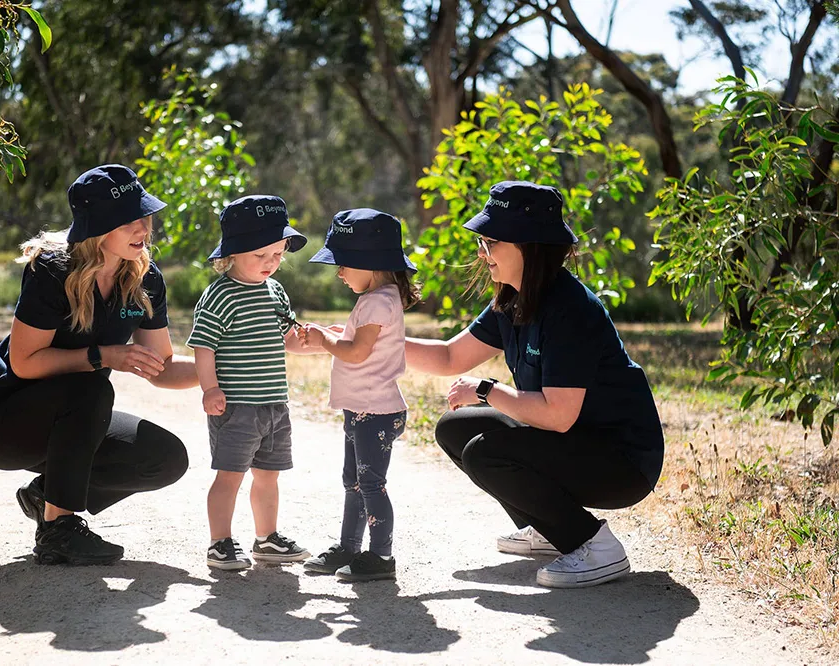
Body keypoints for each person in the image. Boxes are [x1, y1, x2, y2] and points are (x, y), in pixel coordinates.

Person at [406, 181, 665, 588]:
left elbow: (558, 416)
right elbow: (450, 357)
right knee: (456, 429)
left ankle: (596, 546)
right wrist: (379, 343)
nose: (481, 252)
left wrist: (487, 389)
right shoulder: (513, 298)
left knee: (485, 452)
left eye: (490, 242)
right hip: (574, 443)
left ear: (529, 245)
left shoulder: (570, 309)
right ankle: (549, 530)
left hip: (622, 461)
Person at [0, 164, 199, 566]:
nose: (144, 229)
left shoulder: (145, 278)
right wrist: (103, 357)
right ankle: (59, 530)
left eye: (145, 216)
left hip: (74, 423)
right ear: (97, 228)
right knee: (92, 385)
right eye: (130, 221)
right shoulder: (53, 270)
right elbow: (23, 363)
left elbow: (161, 366)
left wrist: (230, 365)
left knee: (166, 458)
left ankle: (47, 495)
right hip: (4, 424)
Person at [187, 195, 311, 571]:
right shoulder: (220, 295)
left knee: (268, 475)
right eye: (261, 256)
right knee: (230, 476)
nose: (271, 263)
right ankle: (220, 542)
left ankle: (267, 538)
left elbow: (285, 337)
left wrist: (313, 340)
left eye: (277, 254)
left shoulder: (275, 291)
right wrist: (210, 389)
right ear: (232, 254)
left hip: (274, 404)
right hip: (236, 405)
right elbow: (204, 346)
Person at [298, 208, 421, 582]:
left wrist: (323, 339)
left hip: (375, 411)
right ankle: (349, 548)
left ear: (371, 263)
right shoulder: (381, 297)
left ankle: (381, 557)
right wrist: (338, 332)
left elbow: (355, 352)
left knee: (369, 484)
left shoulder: (377, 300)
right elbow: (362, 340)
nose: (338, 272)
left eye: (344, 263)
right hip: (364, 409)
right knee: (354, 480)